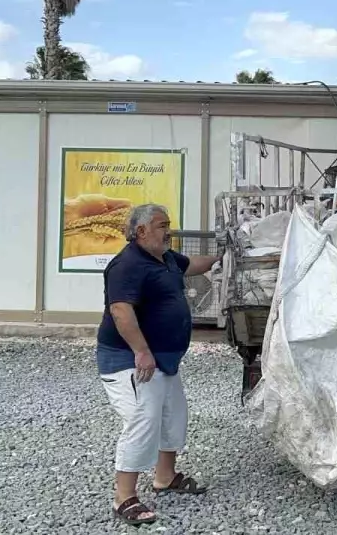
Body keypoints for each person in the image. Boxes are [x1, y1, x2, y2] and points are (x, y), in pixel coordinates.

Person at [96, 203, 219, 526]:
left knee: (174, 414)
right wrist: (141, 350)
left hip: (164, 359)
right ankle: (124, 497)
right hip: (130, 359)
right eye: (162, 225)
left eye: (168, 224)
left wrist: (222, 260)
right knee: (144, 418)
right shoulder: (126, 266)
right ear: (140, 232)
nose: (169, 231)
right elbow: (121, 311)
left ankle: (165, 477)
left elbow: (193, 264)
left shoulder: (165, 258)